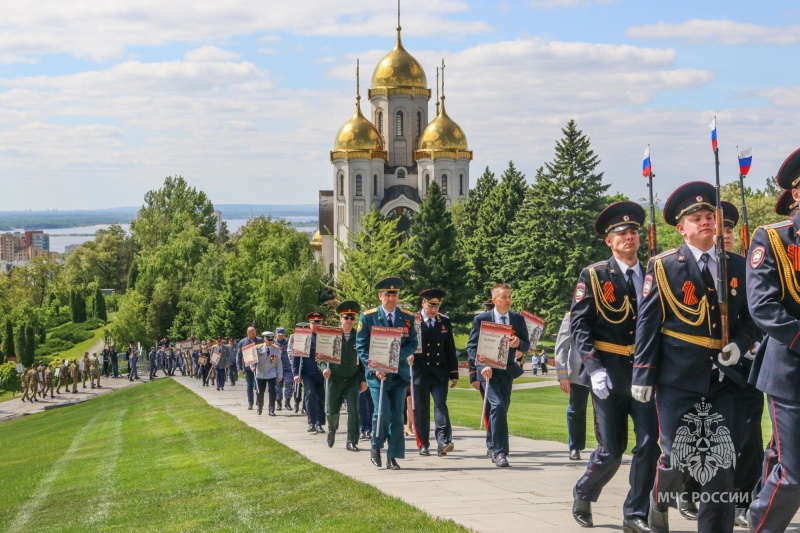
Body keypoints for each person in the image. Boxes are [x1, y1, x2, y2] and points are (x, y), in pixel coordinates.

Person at [632, 182, 757, 533]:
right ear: (681, 228)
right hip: (677, 380)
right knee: (678, 458)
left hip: (724, 382)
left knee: (720, 464)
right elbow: (647, 324)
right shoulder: (663, 266)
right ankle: (660, 498)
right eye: (697, 218)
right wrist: (642, 374)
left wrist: (742, 341)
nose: (706, 222)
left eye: (709, 216)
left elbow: (750, 317)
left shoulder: (737, 265)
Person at [570, 201, 659, 533]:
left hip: (644, 372)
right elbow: (580, 326)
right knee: (612, 449)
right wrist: (593, 367)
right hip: (608, 371)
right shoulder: (593, 275)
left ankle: (634, 513)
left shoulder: (654, 272)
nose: (629, 237)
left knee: (650, 442)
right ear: (609, 240)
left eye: (634, 231)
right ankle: (583, 491)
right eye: (622, 233)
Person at [746, 148, 800, 532]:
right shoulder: (773, 238)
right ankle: (762, 522)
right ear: (796, 193)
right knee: (795, 472)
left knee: (783, 457)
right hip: (790, 369)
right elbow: (762, 306)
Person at [357, 276, 419, 470]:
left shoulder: (407, 318)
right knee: (382, 412)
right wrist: (375, 366)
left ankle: (393, 454)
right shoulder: (369, 317)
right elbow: (361, 345)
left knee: (397, 417)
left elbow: (413, 343)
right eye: (387, 295)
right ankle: (376, 446)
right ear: (380, 296)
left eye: (395, 295)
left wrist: (395, 357)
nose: (391, 299)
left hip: (398, 374)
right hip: (378, 375)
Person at [467, 282, 530, 468]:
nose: (508, 300)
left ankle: (491, 444)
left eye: (510, 296)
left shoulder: (517, 319)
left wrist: (518, 342)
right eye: (504, 297)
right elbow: (472, 346)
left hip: (507, 371)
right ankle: (500, 452)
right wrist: (481, 365)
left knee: (499, 410)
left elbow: (526, 344)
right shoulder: (481, 319)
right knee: (498, 406)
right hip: (488, 372)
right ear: (494, 299)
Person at [410, 289, 459, 457]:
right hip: (419, 372)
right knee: (421, 409)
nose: (433, 309)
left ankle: (443, 442)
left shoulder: (444, 321)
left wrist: (454, 373)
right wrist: (406, 357)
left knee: (441, 406)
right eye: (431, 305)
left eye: (437, 306)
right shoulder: (412, 320)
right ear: (423, 303)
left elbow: (449, 348)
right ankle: (423, 443)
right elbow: (403, 344)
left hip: (439, 372)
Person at [324, 301, 366, 451]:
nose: (349, 321)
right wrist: (324, 369)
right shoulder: (331, 335)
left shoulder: (359, 336)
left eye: (352, 318)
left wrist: (364, 379)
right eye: (346, 317)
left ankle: (351, 441)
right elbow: (321, 358)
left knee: (354, 410)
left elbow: (363, 359)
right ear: (340, 318)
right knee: (331, 409)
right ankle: (332, 429)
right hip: (335, 378)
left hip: (353, 379)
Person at [554, 311, 589, 461]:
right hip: (578, 371)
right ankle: (575, 446)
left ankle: (605, 447)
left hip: (602, 369)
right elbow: (562, 347)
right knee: (576, 411)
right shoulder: (572, 315)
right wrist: (562, 375)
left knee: (604, 413)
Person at [293, 314, 326, 433]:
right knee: (311, 394)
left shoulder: (326, 337)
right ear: (310, 324)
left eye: (319, 322)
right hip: (308, 373)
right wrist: (296, 373)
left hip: (323, 373)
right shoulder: (303, 337)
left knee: (321, 398)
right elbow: (297, 357)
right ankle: (312, 422)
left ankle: (319, 423)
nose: (316, 325)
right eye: (314, 323)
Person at [252, 332, 282, 415]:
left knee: (272, 391)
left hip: (271, 372)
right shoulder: (258, 348)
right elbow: (253, 359)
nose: (270, 342)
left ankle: (271, 410)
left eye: (272, 340)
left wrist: (280, 375)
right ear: (264, 339)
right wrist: (252, 366)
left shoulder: (276, 349)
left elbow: (278, 362)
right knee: (260, 391)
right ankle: (260, 406)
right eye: (268, 340)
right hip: (260, 372)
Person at [237, 327, 261, 410]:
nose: (254, 334)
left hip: (259, 367)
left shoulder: (260, 340)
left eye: (254, 332)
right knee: (249, 386)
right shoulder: (242, 342)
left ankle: (259, 399)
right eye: (252, 333)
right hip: (248, 368)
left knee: (259, 385)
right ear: (248, 333)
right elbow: (239, 356)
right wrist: (239, 368)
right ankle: (250, 403)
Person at [274, 327, 293, 411]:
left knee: (289, 383)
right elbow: (271, 355)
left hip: (287, 367)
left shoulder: (288, 341)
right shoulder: (273, 343)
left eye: (282, 335)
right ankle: (278, 403)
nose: (281, 337)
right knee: (278, 386)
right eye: (279, 335)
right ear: (276, 334)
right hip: (277, 368)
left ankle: (287, 402)